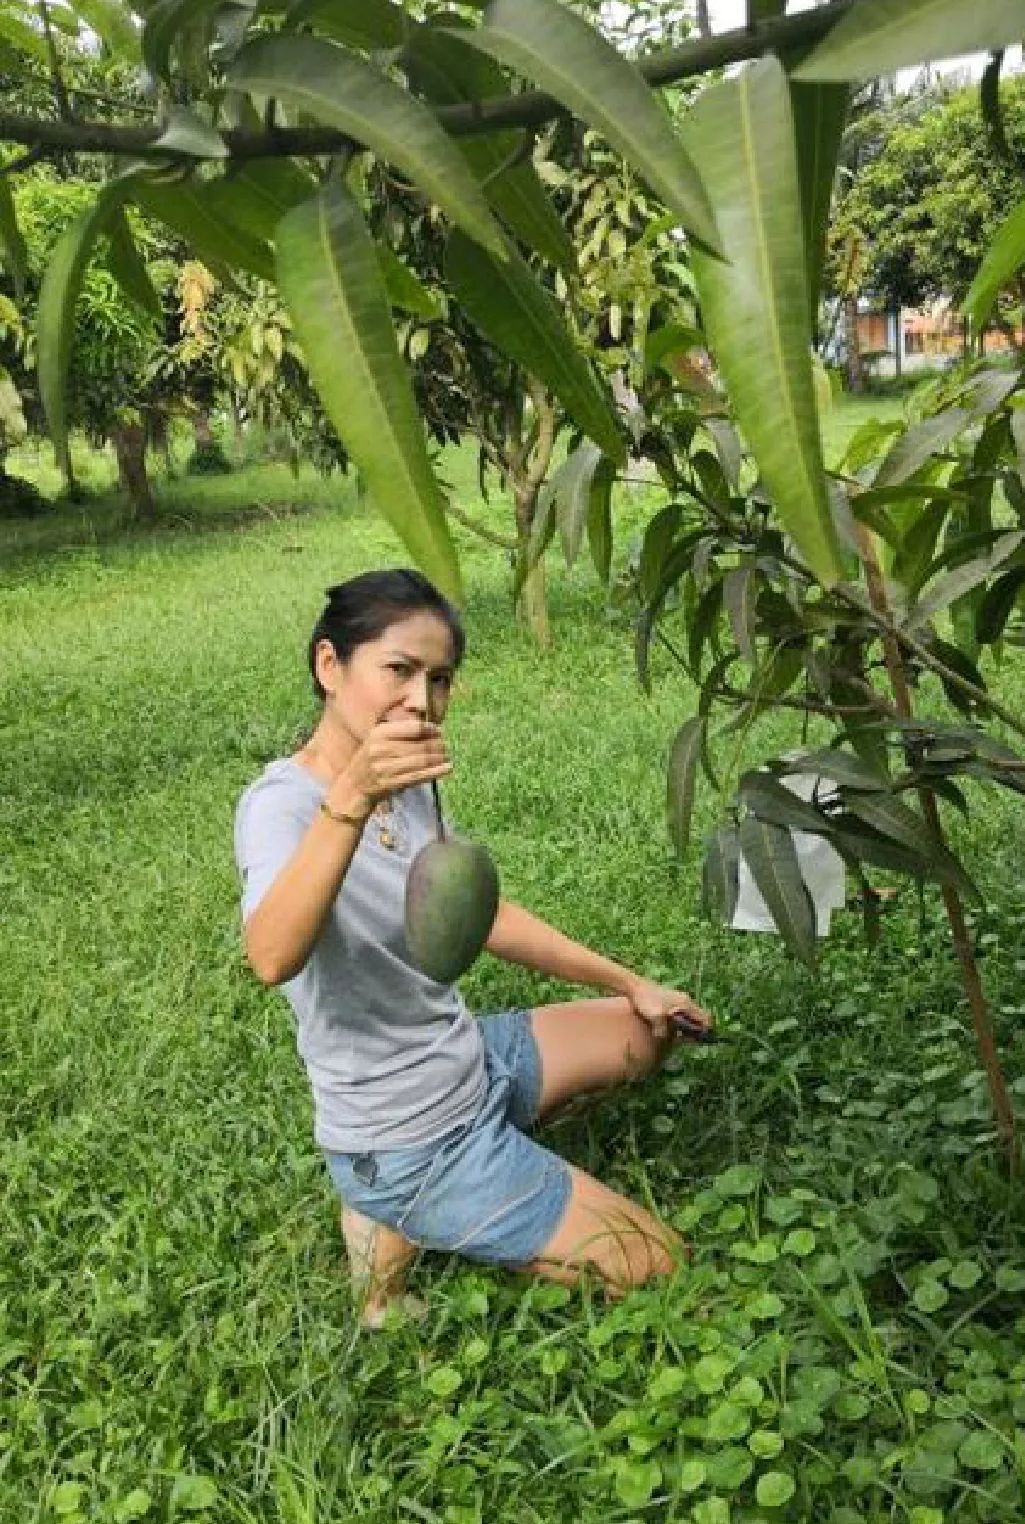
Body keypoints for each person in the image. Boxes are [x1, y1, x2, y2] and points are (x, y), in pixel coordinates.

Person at [234, 568, 713, 1326]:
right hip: (403, 1130)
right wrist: (350, 801)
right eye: (399, 669)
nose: (421, 701)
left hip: (466, 1057)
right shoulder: (282, 807)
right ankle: (393, 1209)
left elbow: (479, 913)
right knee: (659, 1263)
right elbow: (270, 955)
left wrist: (633, 982)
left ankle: (446, 1183)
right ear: (331, 666)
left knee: (643, 1035)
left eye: (440, 678)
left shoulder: (409, 777)